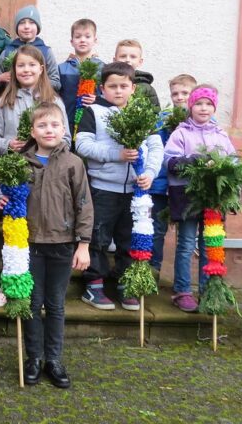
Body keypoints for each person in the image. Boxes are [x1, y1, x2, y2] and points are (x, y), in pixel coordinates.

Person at [4, 102, 92, 388]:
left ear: (64, 129)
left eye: (54, 125)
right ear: (32, 131)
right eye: (42, 125)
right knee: (32, 303)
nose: (49, 130)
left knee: (55, 305)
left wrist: (84, 244)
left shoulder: (73, 163)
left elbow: (84, 204)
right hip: (29, 244)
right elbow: (7, 194)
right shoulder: (19, 162)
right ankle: (34, 358)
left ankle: (53, 359)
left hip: (61, 244)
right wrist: (6, 200)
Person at [0, 44, 70, 307]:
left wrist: (44, 144)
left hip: (43, 180)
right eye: (21, 65)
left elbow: (66, 140)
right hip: (14, 179)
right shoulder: (5, 101)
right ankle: (6, 284)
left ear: (41, 68)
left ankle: (32, 287)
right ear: (14, 70)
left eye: (32, 65)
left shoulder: (53, 101)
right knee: (13, 234)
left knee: (34, 236)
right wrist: (8, 144)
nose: (26, 70)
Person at [74, 62, 162, 311]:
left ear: (133, 88)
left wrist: (150, 173)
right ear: (102, 89)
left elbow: (156, 146)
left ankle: (125, 283)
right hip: (103, 189)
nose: (118, 91)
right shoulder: (93, 112)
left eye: (124, 86)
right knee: (98, 237)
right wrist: (117, 154)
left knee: (128, 238)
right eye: (112, 86)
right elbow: (82, 145)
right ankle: (94, 284)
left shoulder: (143, 113)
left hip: (136, 190)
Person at [163, 84, 235, 312]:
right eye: (199, 104)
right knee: (186, 244)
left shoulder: (221, 135)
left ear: (214, 108)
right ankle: (182, 291)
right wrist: (197, 161)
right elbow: (170, 162)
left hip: (214, 199)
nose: (204, 108)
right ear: (191, 106)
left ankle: (207, 290)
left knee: (209, 245)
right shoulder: (181, 133)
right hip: (187, 197)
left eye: (208, 104)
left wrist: (230, 184)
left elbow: (233, 164)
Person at [149, 74, 196, 276]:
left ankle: (181, 282)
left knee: (186, 237)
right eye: (175, 93)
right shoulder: (162, 118)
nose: (180, 97)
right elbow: (155, 149)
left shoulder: (203, 119)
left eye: (185, 93)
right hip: (161, 184)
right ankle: (153, 274)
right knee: (157, 230)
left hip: (187, 187)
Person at [0, 5, 60, 92]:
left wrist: (35, 81)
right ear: (17, 27)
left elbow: (56, 83)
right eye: (22, 23)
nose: (26, 26)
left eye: (31, 22)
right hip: (12, 99)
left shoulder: (46, 52)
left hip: (39, 99)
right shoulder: (7, 52)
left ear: (37, 27)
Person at [58, 18, 104, 128]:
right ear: (72, 41)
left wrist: (98, 99)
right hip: (67, 122)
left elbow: (108, 94)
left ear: (95, 40)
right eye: (78, 37)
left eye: (87, 36)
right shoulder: (62, 69)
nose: (82, 40)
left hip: (94, 124)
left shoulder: (103, 68)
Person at [113, 39, 160, 109]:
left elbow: (155, 112)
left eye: (133, 57)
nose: (127, 60)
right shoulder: (108, 84)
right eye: (123, 56)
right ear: (114, 60)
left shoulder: (147, 88)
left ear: (140, 62)